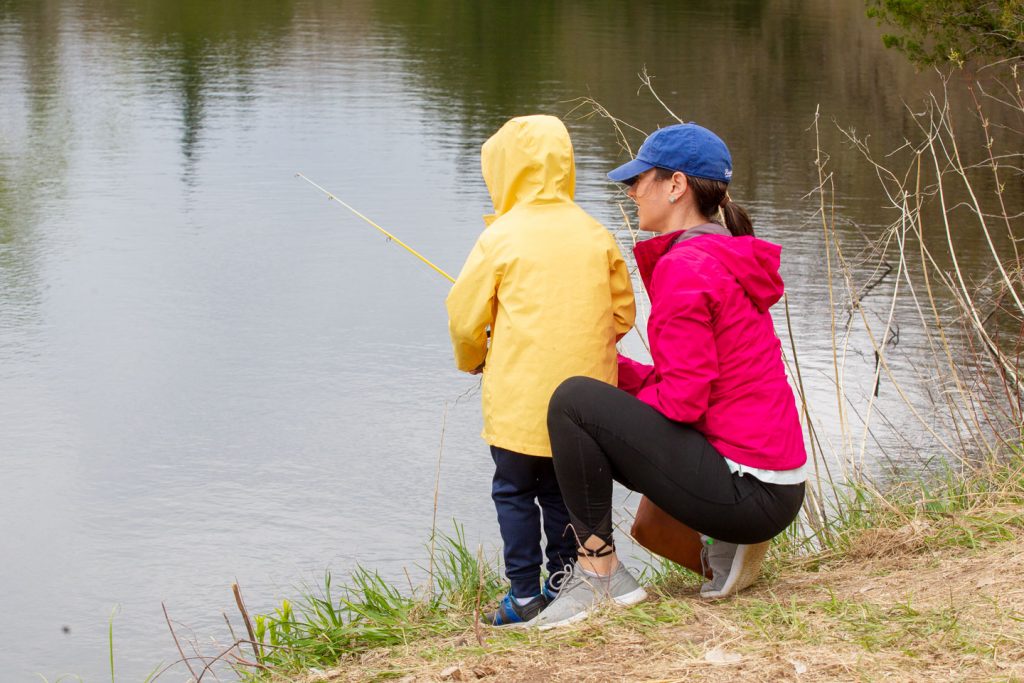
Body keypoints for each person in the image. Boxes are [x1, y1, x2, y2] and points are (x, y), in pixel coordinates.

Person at [533, 123, 807, 629]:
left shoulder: (687, 268)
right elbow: (696, 377)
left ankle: (599, 575)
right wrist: (608, 370)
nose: (632, 192)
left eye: (638, 180)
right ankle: (723, 548)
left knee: (572, 402)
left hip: (749, 491)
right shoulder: (721, 255)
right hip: (777, 484)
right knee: (589, 394)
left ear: (676, 185)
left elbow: (683, 403)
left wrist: (598, 403)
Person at [446, 115, 636, 626]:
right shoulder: (596, 234)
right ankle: (565, 582)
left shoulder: (500, 237)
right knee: (561, 492)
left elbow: (465, 318)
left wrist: (475, 358)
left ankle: (524, 594)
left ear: (504, 172)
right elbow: (623, 315)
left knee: (513, 491)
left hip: (518, 405)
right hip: (585, 408)